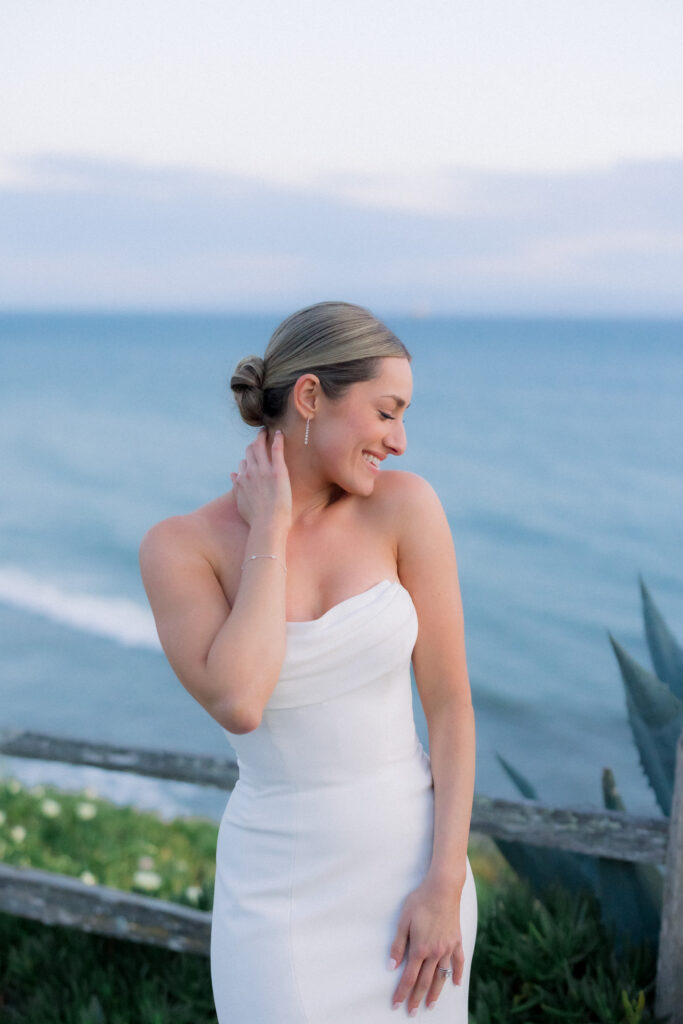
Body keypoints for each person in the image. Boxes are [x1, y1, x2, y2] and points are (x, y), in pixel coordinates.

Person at [139, 301, 478, 1022]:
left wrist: (444, 883)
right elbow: (239, 700)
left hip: (414, 878)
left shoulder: (406, 509)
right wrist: (271, 525)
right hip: (278, 898)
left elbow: (449, 707)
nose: (400, 440)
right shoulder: (180, 548)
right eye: (386, 413)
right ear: (310, 397)